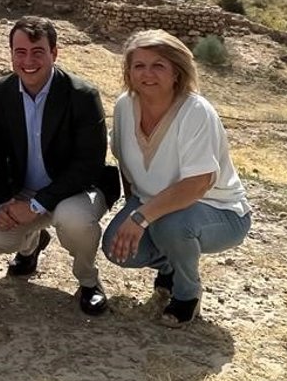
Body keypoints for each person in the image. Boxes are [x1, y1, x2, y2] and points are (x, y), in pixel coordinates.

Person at [102, 30, 252, 325]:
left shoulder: (195, 111)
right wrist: (133, 208)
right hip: (152, 207)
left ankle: (187, 294)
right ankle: (171, 264)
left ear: (176, 72)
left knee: (170, 225)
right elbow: (126, 166)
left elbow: (197, 184)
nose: (147, 74)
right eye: (139, 65)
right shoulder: (124, 107)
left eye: (158, 65)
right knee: (116, 249)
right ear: (129, 72)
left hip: (218, 211)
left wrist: (139, 218)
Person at [0, 16, 119, 316]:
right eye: (20, 52)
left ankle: (88, 280)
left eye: (38, 52)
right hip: (25, 191)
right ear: (11, 54)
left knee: (74, 221)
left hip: (74, 190)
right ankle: (30, 245)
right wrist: (3, 202)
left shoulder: (82, 95)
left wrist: (38, 204)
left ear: (54, 53)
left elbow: (88, 164)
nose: (28, 61)